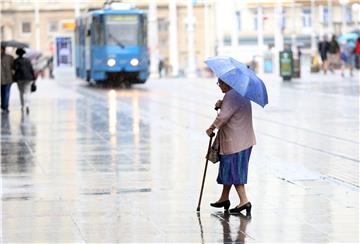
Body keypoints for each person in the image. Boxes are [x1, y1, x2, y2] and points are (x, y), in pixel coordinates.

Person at [206, 78, 256, 216]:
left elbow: (223, 117)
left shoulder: (232, 96)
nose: (219, 86)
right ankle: (224, 198)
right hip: (243, 140)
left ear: (228, 83)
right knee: (228, 169)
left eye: (220, 83)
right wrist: (223, 104)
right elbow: (233, 110)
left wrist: (211, 128)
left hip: (236, 142)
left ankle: (244, 201)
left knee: (234, 171)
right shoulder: (239, 94)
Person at [13, 48, 36, 114]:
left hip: (19, 78)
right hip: (28, 78)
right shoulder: (27, 60)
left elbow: (14, 69)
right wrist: (33, 78)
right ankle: (27, 105)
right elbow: (31, 69)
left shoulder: (16, 61)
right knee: (27, 92)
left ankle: (22, 106)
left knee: (21, 92)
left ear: (17, 53)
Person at [1, 46, 14, 114]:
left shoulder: (10, 57)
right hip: (8, 79)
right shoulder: (10, 57)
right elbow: (13, 67)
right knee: (6, 94)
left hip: (6, 79)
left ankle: (4, 107)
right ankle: (5, 107)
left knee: (4, 94)